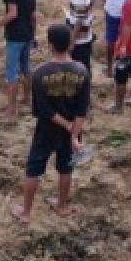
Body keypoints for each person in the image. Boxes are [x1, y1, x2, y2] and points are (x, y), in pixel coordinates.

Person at [10, 24, 90, 224]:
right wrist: (73, 133)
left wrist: (66, 125)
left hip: (47, 129)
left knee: (34, 167)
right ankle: (61, 206)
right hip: (73, 130)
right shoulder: (82, 71)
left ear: (50, 44)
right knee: (66, 168)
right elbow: (82, 108)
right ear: (70, 44)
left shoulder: (40, 73)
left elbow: (43, 110)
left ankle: (26, 211)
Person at [64, 0, 96, 165]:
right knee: (84, 73)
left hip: (80, 40)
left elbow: (79, 19)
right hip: (87, 37)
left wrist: (71, 42)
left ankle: (79, 112)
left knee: (76, 80)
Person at [65, 0, 95, 72]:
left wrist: (72, 42)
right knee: (85, 70)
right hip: (86, 35)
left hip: (78, 40)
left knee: (78, 72)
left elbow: (79, 19)